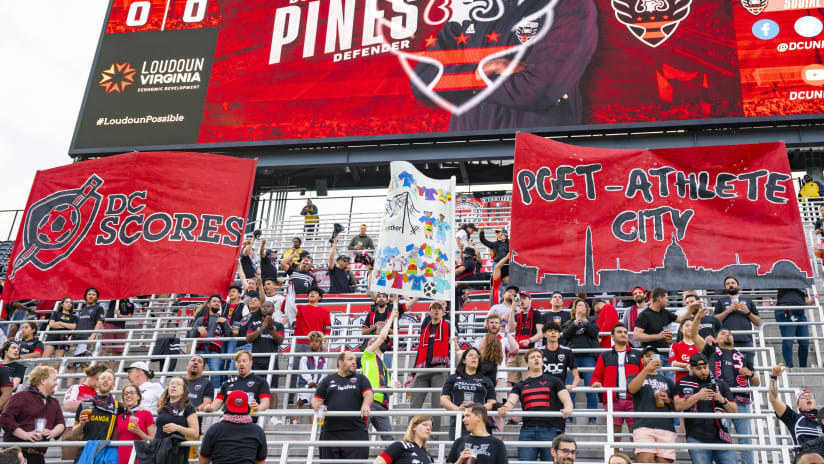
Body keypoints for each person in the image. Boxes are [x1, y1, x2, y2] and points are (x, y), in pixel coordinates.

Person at [693, 306, 759, 464]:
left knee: (747, 441)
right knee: (722, 439)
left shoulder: (742, 355)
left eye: (729, 333)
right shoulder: (710, 351)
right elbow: (694, 335)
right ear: (716, 339)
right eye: (723, 333)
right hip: (720, 400)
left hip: (742, 401)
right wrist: (697, 319)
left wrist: (750, 374)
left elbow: (756, 381)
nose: (727, 334)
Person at [498, 348, 573, 462]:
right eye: (532, 357)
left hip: (551, 430)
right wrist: (505, 407)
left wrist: (568, 408)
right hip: (528, 430)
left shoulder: (555, 381)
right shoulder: (520, 385)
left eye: (538, 357)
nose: (536, 359)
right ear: (527, 363)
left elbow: (566, 399)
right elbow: (511, 402)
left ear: (543, 361)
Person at [673, 353, 737, 464]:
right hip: (697, 437)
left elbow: (734, 409)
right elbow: (677, 406)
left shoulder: (720, 383)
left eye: (705, 367)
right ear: (691, 368)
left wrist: (722, 400)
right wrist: (698, 396)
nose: (703, 371)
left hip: (722, 437)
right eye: (699, 368)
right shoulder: (682, 382)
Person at [312, 351, 373, 461]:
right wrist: (317, 405)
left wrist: (366, 404)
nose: (354, 362)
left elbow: (368, 394)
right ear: (340, 362)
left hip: (356, 432)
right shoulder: (327, 380)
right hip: (330, 432)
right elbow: (316, 399)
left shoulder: (361, 379)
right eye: (350, 359)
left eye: (355, 359)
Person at [0, 366, 63, 464]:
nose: (56, 383)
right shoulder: (21, 396)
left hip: (38, 456)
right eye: (54, 379)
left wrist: (52, 432)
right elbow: (5, 418)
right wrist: (25, 435)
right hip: (15, 455)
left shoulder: (54, 402)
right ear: (43, 380)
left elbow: (61, 423)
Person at [592, 323, 642, 439]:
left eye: (625, 332)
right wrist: (595, 383)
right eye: (619, 332)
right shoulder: (605, 355)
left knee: (637, 437)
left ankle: (638, 458)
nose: (623, 334)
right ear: (612, 337)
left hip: (634, 400)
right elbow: (596, 376)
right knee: (614, 437)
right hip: (612, 400)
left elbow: (644, 375)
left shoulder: (637, 354)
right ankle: (614, 457)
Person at [627, 345, 676, 463]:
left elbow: (676, 408)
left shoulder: (668, 381)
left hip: (666, 427)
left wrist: (668, 400)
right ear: (642, 360)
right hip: (643, 426)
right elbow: (632, 389)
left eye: (654, 356)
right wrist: (646, 369)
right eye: (647, 356)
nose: (651, 358)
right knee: (645, 461)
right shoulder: (634, 377)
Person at [408, 301, 450, 433]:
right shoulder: (425, 329)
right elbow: (420, 352)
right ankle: (411, 435)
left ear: (443, 312)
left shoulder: (448, 326)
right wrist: (413, 374)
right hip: (423, 369)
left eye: (439, 308)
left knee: (436, 406)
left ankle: (434, 438)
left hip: (439, 368)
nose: (436, 311)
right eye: (434, 308)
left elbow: (453, 347)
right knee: (414, 404)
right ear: (429, 311)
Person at [474, 313, 518, 431]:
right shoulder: (480, 340)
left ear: (500, 325)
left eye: (496, 323)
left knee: (498, 410)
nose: (494, 325)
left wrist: (507, 332)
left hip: (500, 377)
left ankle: (498, 441)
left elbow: (515, 348)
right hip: (482, 378)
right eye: (491, 322)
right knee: (481, 409)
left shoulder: (503, 339)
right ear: (487, 324)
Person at [362, 306, 400, 441]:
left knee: (389, 439)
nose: (374, 340)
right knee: (361, 437)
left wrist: (394, 387)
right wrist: (391, 319)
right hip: (367, 401)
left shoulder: (383, 365)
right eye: (371, 340)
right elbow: (382, 336)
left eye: (374, 340)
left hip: (381, 404)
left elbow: (389, 391)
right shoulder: (367, 355)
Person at [440, 348, 496, 439]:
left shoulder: (486, 380)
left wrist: (477, 409)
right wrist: (457, 409)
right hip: (459, 421)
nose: (474, 357)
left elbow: (492, 402)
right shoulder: (453, 378)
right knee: (460, 452)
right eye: (471, 355)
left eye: (477, 356)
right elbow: (443, 400)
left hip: (479, 421)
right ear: (464, 360)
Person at [198, 390, 267, 464]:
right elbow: (260, 461)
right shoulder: (258, 431)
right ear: (247, 407)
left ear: (226, 406)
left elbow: (203, 460)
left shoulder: (214, 429)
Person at [768, 363, 823, 449]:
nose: (808, 398)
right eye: (804, 397)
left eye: (811, 397)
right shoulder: (794, 418)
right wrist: (774, 377)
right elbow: (773, 400)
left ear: (815, 402)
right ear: (797, 405)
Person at [562, 298, 599, 424]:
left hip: (588, 356)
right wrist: (576, 322)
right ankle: (569, 418)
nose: (581, 307)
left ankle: (592, 419)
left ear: (587, 309)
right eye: (578, 305)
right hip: (572, 358)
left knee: (590, 388)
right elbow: (566, 335)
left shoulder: (593, 321)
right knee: (570, 389)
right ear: (575, 309)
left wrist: (585, 321)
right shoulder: (569, 322)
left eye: (583, 305)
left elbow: (594, 334)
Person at [64, 369, 124, 442]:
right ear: (97, 383)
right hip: (87, 448)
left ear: (113, 385)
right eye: (103, 378)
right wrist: (81, 424)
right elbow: (75, 434)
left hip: (106, 449)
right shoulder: (86, 404)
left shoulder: (118, 406)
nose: (105, 380)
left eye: (109, 379)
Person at [363, 290, 418, 368]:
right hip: (372, 345)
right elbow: (371, 291)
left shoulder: (396, 307)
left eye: (383, 297)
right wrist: (374, 328)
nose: (381, 298)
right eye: (379, 297)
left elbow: (413, 301)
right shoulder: (376, 308)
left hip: (386, 345)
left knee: (385, 372)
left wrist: (386, 326)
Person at [712, 276, 761, 364]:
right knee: (728, 371)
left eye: (733, 283)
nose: (730, 285)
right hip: (726, 342)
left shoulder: (748, 301)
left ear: (738, 286)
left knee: (748, 371)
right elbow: (715, 320)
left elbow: (758, 322)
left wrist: (747, 312)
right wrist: (729, 310)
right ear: (725, 287)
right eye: (728, 284)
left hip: (746, 341)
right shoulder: (721, 301)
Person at [189, 295, 233, 390]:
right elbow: (191, 334)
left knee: (216, 374)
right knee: (196, 374)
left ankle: (214, 397)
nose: (217, 303)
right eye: (214, 301)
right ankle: (195, 394)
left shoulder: (223, 320)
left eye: (219, 302)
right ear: (208, 304)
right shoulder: (200, 320)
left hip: (215, 351)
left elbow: (229, 336)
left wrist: (225, 323)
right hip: (200, 350)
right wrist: (197, 329)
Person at [207, 351, 271, 413]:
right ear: (235, 364)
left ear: (251, 362)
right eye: (238, 361)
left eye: (244, 361)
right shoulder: (227, 383)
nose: (241, 364)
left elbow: (265, 402)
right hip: (228, 419)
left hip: (248, 419)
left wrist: (258, 408)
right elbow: (218, 402)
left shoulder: (260, 381)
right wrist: (210, 407)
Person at [633, 288, 688, 356]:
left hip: (665, 353)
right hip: (651, 356)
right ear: (659, 298)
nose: (667, 301)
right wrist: (658, 336)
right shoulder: (644, 315)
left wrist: (691, 308)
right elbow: (636, 336)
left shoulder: (665, 312)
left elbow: (682, 319)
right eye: (666, 298)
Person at [244, 296, 285, 378]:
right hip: (256, 359)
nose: (265, 308)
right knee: (257, 387)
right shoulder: (253, 324)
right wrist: (261, 328)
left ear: (274, 310)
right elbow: (248, 339)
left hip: (272, 359)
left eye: (268, 306)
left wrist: (271, 328)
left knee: (273, 387)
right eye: (263, 307)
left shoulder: (279, 325)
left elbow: (280, 341)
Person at [115, 384, 155, 464]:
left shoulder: (146, 414)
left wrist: (139, 432)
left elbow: (152, 441)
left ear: (138, 397)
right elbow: (115, 440)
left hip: (138, 457)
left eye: (132, 393)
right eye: (126, 394)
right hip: (120, 457)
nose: (128, 395)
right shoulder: (119, 417)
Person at [775, 288, 813, 368]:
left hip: (800, 312)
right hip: (786, 310)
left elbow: (806, 301)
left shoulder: (802, 283)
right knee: (788, 340)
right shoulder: (786, 277)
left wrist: (812, 301)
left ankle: (803, 368)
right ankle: (789, 366)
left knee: (805, 342)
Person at [71, 288, 105, 361]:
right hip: (76, 338)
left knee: (85, 364)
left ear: (96, 297)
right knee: (71, 364)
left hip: (88, 338)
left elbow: (99, 322)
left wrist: (92, 336)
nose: (91, 296)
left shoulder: (99, 308)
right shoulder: (82, 309)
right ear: (85, 296)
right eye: (89, 294)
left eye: (93, 295)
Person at [296, 332, 326, 412]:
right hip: (306, 384)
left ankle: (312, 424)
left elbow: (324, 372)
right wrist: (310, 381)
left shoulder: (322, 358)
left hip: (316, 385)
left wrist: (320, 382)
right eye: (312, 341)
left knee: (313, 405)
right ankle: (294, 422)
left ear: (320, 344)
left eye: (316, 341)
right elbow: (303, 369)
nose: (313, 343)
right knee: (300, 402)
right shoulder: (305, 356)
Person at [100, 298, 135, 364]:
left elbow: (129, 316)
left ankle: (110, 370)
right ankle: (99, 370)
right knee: (105, 348)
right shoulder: (115, 297)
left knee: (117, 351)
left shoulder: (130, 304)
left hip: (121, 327)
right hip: (109, 323)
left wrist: (120, 316)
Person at [43, 297, 77, 361]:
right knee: (44, 361)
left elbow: (73, 327)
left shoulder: (74, 317)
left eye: (71, 303)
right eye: (67, 302)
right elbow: (51, 325)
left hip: (64, 339)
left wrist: (60, 323)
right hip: (52, 337)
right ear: (62, 304)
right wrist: (67, 326)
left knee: (57, 364)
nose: (69, 304)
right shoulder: (56, 314)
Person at [668, 319, 700, 384]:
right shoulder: (675, 346)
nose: (690, 328)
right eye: (687, 326)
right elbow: (673, 363)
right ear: (681, 329)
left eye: (692, 326)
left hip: (698, 382)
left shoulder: (700, 345)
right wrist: (686, 365)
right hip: (681, 382)